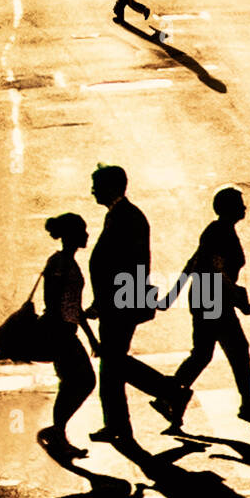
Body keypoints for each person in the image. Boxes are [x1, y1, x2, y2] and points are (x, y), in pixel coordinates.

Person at [158, 188, 250, 430]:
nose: (244, 208)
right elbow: (217, 271)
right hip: (214, 299)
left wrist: (173, 295)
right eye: (240, 204)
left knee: (202, 354)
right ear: (230, 208)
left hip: (204, 297)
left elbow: (193, 262)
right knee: (237, 350)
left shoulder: (215, 230)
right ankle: (247, 404)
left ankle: (168, 398)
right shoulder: (222, 232)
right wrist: (238, 298)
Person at [87, 164, 188, 447]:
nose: (92, 190)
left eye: (96, 184)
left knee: (114, 362)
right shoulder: (120, 216)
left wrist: (107, 301)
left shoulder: (125, 218)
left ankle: (169, 391)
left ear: (111, 187)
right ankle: (117, 425)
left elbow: (123, 266)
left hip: (121, 303)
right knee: (111, 365)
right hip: (117, 301)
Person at [36, 213, 99, 461]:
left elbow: (74, 306)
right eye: (82, 231)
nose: (86, 235)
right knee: (82, 381)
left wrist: (91, 339)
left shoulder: (67, 262)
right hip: (60, 333)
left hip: (66, 331)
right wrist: (59, 331)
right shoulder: (60, 264)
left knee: (76, 382)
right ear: (71, 235)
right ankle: (57, 433)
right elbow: (53, 302)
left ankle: (58, 433)